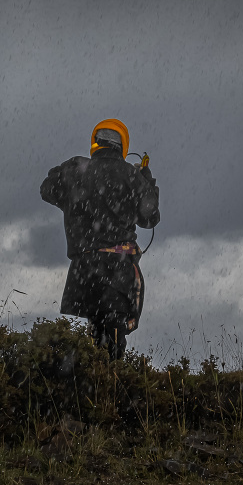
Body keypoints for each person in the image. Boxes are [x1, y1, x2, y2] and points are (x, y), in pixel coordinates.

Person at [40, 119, 160, 359]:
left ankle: (93, 387)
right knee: (114, 338)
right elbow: (150, 218)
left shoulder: (75, 168)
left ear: (95, 142)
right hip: (116, 267)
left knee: (94, 335)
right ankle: (112, 389)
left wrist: (73, 196)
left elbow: (47, 189)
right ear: (122, 145)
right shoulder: (131, 176)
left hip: (83, 269)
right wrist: (147, 181)